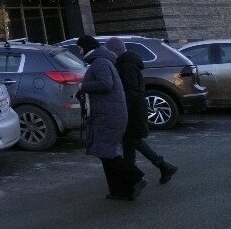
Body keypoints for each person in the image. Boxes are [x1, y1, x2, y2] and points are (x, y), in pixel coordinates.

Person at [76, 34, 146, 200]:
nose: (79, 52)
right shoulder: (100, 61)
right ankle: (120, 190)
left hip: (108, 115)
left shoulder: (100, 62)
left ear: (87, 47)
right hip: (106, 113)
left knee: (107, 152)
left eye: (80, 49)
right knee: (105, 153)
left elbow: (105, 84)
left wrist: (82, 86)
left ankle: (136, 177)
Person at [104, 36, 178, 185]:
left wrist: (123, 108)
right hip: (134, 108)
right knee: (128, 141)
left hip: (132, 110)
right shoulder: (127, 63)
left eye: (108, 51)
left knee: (133, 140)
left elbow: (131, 91)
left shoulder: (126, 65)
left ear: (114, 51)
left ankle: (163, 166)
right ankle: (132, 175)